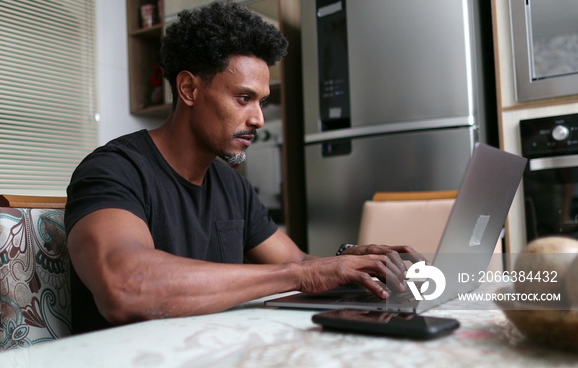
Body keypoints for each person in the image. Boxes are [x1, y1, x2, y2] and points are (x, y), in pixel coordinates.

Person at [65, 0, 423, 334]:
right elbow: (126, 286)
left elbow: (296, 260)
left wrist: (352, 266)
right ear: (189, 89)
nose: (258, 119)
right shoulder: (114, 169)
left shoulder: (229, 183)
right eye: (243, 98)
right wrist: (302, 273)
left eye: (262, 101)